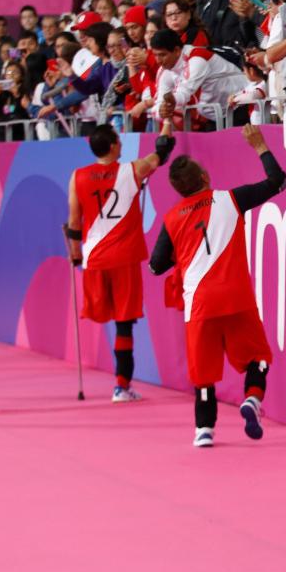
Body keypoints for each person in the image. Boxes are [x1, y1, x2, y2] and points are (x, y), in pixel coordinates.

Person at [148, 124, 286, 448]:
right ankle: (252, 398)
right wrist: (261, 146)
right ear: (205, 178)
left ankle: (204, 430)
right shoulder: (230, 199)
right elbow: (277, 182)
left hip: (199, 302)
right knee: (259, 356)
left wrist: (182, 253)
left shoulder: (172, 218)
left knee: (204, 372)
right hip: (236, 296)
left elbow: (156, 265)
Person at [65, 121, 175, 402]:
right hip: (124, 257)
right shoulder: (132, 170)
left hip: (95, 258)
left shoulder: (77, 176)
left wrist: (76, 254)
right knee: (125, 323)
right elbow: (161, 153)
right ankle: (121, 385)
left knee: (111, 319)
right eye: (118, 139)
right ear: (114, 145)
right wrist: (166, 124)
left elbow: (74, 223)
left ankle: (122, 385)